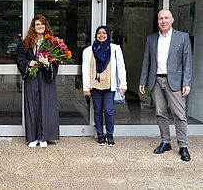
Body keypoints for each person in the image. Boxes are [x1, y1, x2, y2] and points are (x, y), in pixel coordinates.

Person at [139, 8, 192, 161]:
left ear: (172, 20)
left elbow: (187, 62)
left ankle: (183, 146)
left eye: (166, 18)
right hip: (156, 80)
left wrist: (186, 82)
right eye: (161, 18)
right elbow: (146, 61)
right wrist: (143, 80)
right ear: (158, 21)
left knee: (179, 115)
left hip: (175, 81)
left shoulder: (182, 38)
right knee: (160, 113)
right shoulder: (151, 38)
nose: (163, 21)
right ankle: (166, 142)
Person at [16, 14, 59, 148]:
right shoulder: (26, 43)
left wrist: (47, 63)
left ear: (46, 26)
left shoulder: (51, 43)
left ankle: (43, 136)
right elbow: (20, 60)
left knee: (45, 106)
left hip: (46, 79)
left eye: (42, 24)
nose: (40, 26)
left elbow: (56, 61)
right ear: (33, 27)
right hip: (32, 78)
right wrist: (29, 63)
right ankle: (33, 137)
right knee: (32, 107)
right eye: (37, 24)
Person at [82, 25, 127, 146]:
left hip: (109, 85)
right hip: (95, 85)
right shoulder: (88, 50)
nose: (101, 35)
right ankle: (100, 135)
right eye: (99, 33)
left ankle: (110, 135)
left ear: (108, 35)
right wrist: (86, 88)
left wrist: (123, 84)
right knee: (97, 110)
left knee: (109, 110)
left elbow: (121, 67)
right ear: (96, 35)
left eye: (104, 33)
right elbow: (85, 70)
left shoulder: (115, 49)